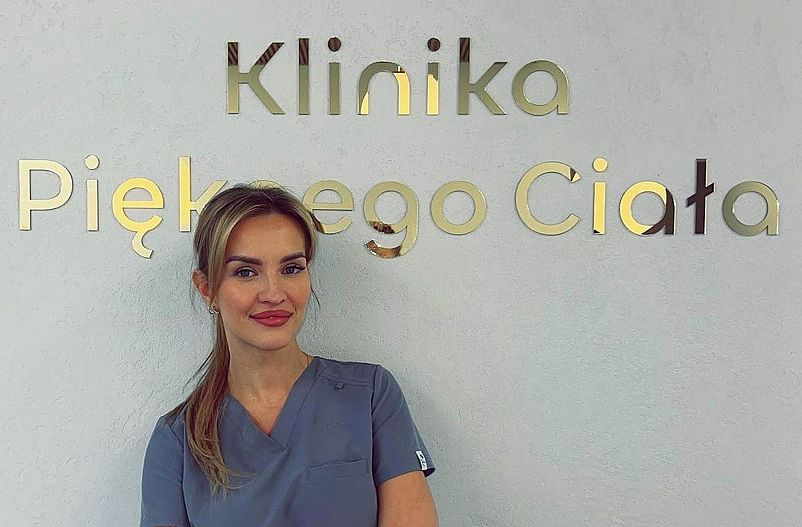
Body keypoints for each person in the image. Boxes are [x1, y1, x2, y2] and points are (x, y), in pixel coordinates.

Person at [139, 184, 438, 527]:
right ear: (207, 289)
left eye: (291, 268)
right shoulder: (179, 440)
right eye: (245, 272)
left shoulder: (370, 395)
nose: (273, 293)